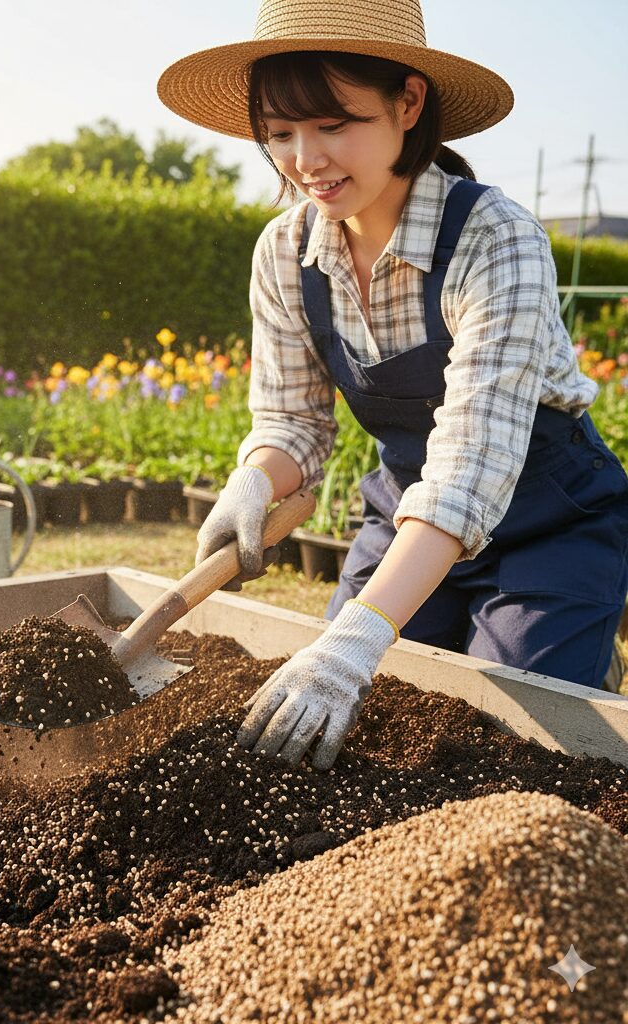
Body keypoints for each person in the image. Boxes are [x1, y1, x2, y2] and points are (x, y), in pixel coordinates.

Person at [157, 0, 628, 770]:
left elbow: (472, 466)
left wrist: (355, 640)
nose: (305, 158)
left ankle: (579, 652)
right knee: (361, 730)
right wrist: (254, 479)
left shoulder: (495, 239)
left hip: (547, 522)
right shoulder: (285, 251)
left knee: (509, 738)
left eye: (334, 124)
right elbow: (294, 423)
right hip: (407, 511)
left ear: (408, 103)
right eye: (279, 133)